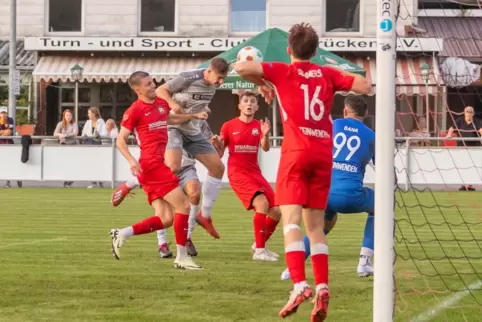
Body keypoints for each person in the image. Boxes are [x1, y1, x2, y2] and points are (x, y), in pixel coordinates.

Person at [234, 23, 371, 321]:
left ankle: (299, 284)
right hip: (323, 155)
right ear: (316, 50)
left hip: (296, 154)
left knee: (290, 223)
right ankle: (322, 286)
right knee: (316, 228)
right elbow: (364, 87)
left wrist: (264, 81)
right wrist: (339, 69)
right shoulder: (328, 73)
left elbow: (240, 67)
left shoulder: (282, 70)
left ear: (288, 49)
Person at [111, 70, 208, 270]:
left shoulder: (161, 104)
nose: (153, 85)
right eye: (148, 84)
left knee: (165, 219)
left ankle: (122, 233)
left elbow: (170, 120)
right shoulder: (134, 110)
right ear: (138, 89)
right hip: (151, 166)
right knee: (184, 206)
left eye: (153, 82)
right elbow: (120, 139)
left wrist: (194, 116)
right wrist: (131, 160)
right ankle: (181, 257)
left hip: (157, 165)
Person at [280, 96, 377, 280]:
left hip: (324, 192)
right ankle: (364, 262)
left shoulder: (331, 125)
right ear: (365, 113)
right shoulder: (371, 135)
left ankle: (292, 268)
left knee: (322, 225)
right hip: (351, 196)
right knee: (382, 206)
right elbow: (388, 174)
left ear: (345, 111)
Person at [111, 120, 223, 258]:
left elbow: (211, 151)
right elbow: (123, 138)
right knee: (166, 216)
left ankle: (185, 242)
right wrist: (133, 167)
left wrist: (216, 146)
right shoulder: (158, 115)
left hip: (185, 167)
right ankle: (162, 243)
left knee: (192, 195)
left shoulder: (198, 120)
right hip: (160, 170)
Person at [155, 58, 230, 239]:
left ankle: (204, 215)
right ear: (209, 71)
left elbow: (196, 103)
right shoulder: (188, 77)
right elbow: (160, 90)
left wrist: (205, 114)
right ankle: (147, 190)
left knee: (218, 168)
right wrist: (174, 105)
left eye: (223, 79)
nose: (220, 82)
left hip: (192, 130)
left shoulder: (212, 87)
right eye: (219, 78)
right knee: (172, 168)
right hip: (173, 127)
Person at [219, 91, 280, 262]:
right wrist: (216, 144)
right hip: (237, 173)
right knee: (262, 203)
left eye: (253, 101)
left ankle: (258, 245)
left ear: (257, 106)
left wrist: (266, 134)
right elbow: (219, 152)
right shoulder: (228, 126)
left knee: (276, 211)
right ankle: (260, 251)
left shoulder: (258, 126)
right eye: (245, 101)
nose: (249, 104)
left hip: (255, 172)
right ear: (239, 105)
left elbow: (265, 148)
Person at [446, 106, 482, 191]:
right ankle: (463, 184)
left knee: (471, 166)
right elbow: (452, 128)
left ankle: (469, 185)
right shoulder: (460, 120)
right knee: (462, 166)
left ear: (473, 114)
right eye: (467, 112)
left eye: (470, 112)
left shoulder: (477, 121)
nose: (469, 114)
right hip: (461, 146)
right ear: (464, 113)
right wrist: (449, 134)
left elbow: (481, 129)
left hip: (473, 148)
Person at [82, 107, 107, 188]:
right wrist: (85, 136)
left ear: (94, 114)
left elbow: (105, 133)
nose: (88, 115)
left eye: (89, 113)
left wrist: (99, 134)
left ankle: (100, 181)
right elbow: (83, 132)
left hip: (97, 143)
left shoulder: (101, 122)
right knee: (91, 163)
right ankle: (93, 182)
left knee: (99, 163)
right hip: (89, 143)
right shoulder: (87, 122)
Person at [54, 109, 79, 188]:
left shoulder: (74, 124)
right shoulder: (60, 124)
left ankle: (70, 179)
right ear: (64, 116)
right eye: (67, 115)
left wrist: (65, 135)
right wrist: (59, 134)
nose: (69, 117)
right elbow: (55, 133)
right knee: (64, 163)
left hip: (72, 145)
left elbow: (75, 133)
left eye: (70, 115)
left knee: (72, 163)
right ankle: (65, 180)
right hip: (63, 145)